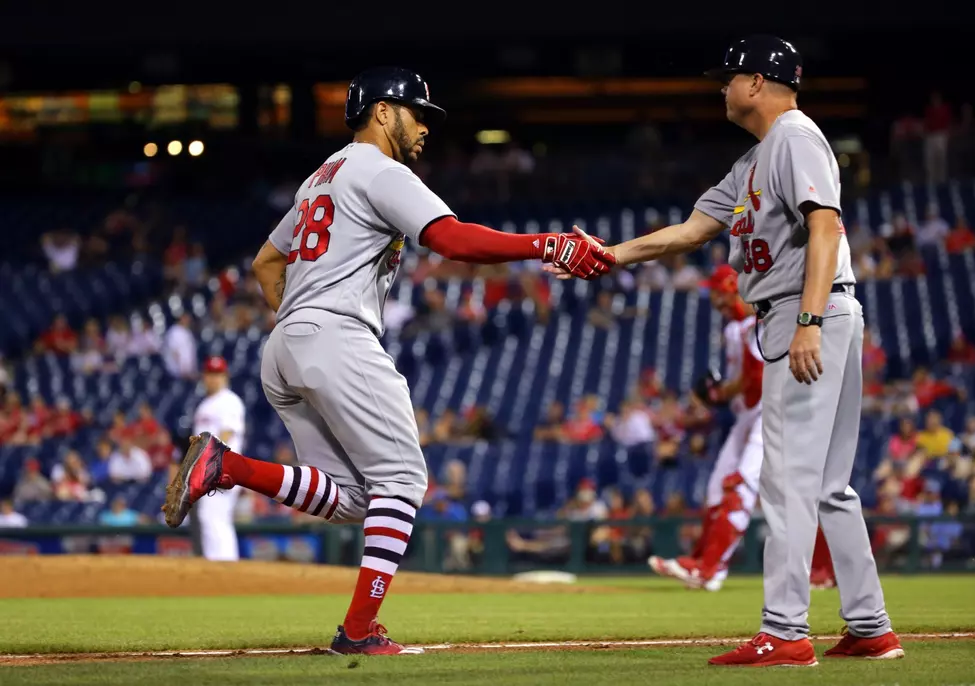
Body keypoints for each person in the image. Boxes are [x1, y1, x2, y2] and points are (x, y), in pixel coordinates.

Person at [163, 66, 612, 656]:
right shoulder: (380, 170)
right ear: (381, 112)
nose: (425, 127)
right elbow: (453, 241)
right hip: (336, 335)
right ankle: (356, 631)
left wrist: (300, 324)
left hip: (287, 344)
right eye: (417, 114)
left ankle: (228, 468)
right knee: (403, 482)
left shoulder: (317, 179)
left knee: (355, 499)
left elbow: (265, 264)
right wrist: (545, 244)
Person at [561, 36, 903, 666]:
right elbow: (690, 232)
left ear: (756, 82)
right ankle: (869, 625)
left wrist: (807, 318)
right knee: (830, 487)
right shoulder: (755, 162)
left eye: (728, 78)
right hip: (815, 313)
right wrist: (611, 255)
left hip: (805, 313)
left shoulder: (794, 137)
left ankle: (786, 631)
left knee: (787, 480)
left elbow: (825, 227)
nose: (722, 88)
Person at [647, 264, 764, 592]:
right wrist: (720, 393)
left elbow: (757, 379)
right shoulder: (734, 329)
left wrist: (720, 392)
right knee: (717, 488)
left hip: (771, 412)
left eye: (717, 291)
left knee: (739, 487)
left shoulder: (758, 322)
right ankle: (704, 563)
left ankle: (708, 567)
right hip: (748, 415)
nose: (714, 299)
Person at [189, 356, 246, 562]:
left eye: (217, 374)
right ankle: (222, 564)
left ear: (225, 376)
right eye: (209, 374)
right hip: (208, 468)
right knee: (212, 516)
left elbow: (226, 434)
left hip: (223, 467)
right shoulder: (205, 404)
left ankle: (223, 564)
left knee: (214, 516)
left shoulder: (229, 401)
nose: (213, 378)